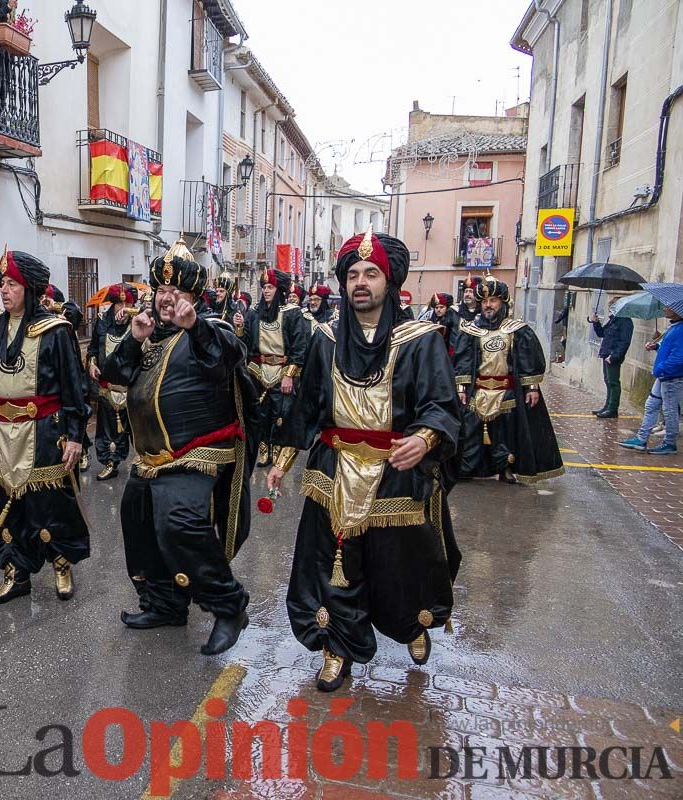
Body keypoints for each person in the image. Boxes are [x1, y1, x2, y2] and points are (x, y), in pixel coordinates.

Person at [268, 227, 461, 692]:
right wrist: (282, 460)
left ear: (388, 280)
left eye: (371, 273)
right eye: (353, 273)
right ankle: (337, 647)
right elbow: (309, 406)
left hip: (396, 470)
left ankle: (411, 623)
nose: (360, 281)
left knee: (398, 564)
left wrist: (426, 437)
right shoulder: (325, 338)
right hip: (335, 467)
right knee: (333, 564)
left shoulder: (421, 339)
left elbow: (441, 403)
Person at [101, 239, 254, 655]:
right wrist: (133, 339)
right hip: (150, 458)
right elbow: (114, 374)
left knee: (179, 523)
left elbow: (227, 356)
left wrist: (195, 326)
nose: (168, 299)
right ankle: (166, 605)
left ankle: (229, 605)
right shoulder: (147, 334)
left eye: (178, 293)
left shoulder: (211, 329)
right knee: (138, 521)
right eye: (161, 291)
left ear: (194, 298)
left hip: (196, 452)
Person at [0, 250, 90, 604]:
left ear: (30, 289)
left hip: (44, 431)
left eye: (13, 284)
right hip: (1, 432)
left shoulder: (56, 332)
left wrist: (75, 435)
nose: (5, 291)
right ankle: (16, 572)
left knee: (49, 503)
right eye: (3, 284)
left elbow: (74, 387)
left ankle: (61, 563)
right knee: (4, 504)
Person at [455, 276, 564, 483]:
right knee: (470, 432)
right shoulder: (470, 330)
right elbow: (462, 361)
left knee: (504, 434)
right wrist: (461, 387)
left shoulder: (517, 330)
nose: (488, 305)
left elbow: (527, 360)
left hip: (506, 391)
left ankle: (505, 468)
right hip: (478, 391)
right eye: (485, 301)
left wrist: (531, 387)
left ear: (503, 303)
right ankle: (467, 468)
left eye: (493, 301)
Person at [248, 268, 310, 467]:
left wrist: (290, 375)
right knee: (260, 413)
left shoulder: (292, 314)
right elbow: (247, 343)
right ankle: (263, 449)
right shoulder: (254, 313)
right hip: (259, 370)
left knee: (281, 414)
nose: (266, 291)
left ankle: (277, 448)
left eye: (270, 287)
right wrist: (240, 328)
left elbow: (300, 346)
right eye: (264, 287)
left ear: (279, 289)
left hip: (282, 370)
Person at [88, 284, 137, 482]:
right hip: (107, 387)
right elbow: (92, 349)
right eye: (119, 304)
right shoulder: (101, 322)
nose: (122, 308)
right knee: (108, 428)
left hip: (132, 387)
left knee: (136, 429)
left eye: (127, 304)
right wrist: (91, 363)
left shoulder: (138, 323)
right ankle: (111, 461)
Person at [618, 305, 683, 455]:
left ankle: (670, 443)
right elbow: (669, 347)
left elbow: (679, 357)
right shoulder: (674, 327)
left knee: (669, 410)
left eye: (669, 307)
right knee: (651, 405)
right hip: (664, 376)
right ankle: (641, 438)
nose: (665, 309)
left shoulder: (681, 330)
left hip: (672, 376)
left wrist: (660, 369)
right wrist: (656, 346)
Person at [45, 284, 92, 472]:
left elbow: (75, 312)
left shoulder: (62, 321)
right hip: (55, 381)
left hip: (74, 375)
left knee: (77, 417)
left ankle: (84, 451)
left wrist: (56, 307)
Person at [589, 296, 634, 418]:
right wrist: (596, 322)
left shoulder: (626, 322)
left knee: (613, 382)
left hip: (613, 356)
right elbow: (602, 333)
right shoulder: (614, 320)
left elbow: (624, 342)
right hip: (606, 354)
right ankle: (607, 406)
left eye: (613, 306)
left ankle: (612, 409)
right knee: (608, 381)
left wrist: (614, 356)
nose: (610, 309)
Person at [210, 271, 252, 353]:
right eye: (217, 291)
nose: (218, 293)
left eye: (221, 291)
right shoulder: (211, 309)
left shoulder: (236, 310)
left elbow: (243, 340)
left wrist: (239, 327)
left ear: (228, 293)